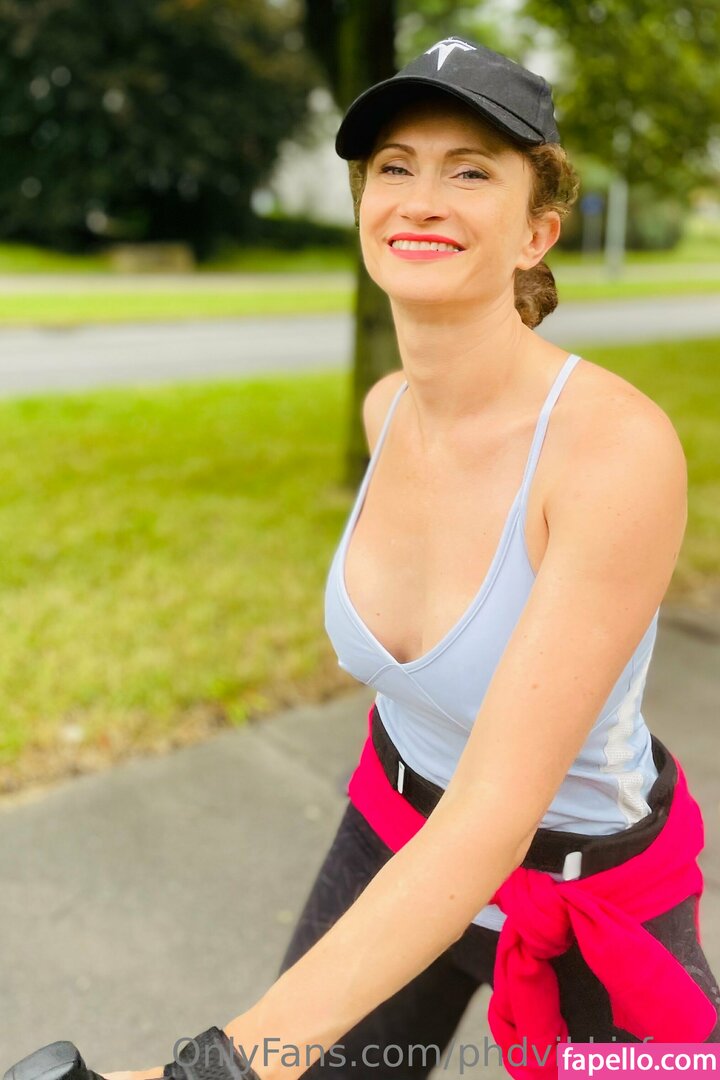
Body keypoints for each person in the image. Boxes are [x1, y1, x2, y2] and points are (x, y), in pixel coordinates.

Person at [108, 36, 720, 1080]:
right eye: (395, 166)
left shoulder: (615, 454)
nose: (421, 200)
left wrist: (225, 1064)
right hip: (391, 832)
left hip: (589, 895)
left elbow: (492, 819)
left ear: (537, 231)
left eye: (471, 171)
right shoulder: (386, 408)